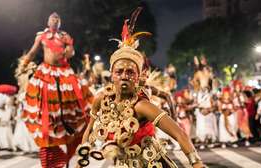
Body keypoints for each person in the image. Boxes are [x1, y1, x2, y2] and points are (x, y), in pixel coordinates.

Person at [76, 8, 205, 168]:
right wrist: (81, 162)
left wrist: (196, 162)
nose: (124, 76)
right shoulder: (101, 98)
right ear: (111, 74)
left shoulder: (142, 106)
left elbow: (179, 133)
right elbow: (89, 130)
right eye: (119, 71)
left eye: (130, 72)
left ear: (138, 76)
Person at [18, 12, 93, 168]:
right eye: (53, 18)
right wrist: (23, 65)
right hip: (46, 73)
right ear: (48, 21)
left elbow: (70, 54)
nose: (55, 20)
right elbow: (32, 52)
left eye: (57, 19)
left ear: (60, 22)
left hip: (64, 72)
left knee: (76, 105)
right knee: (45, 110)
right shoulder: (41, 35)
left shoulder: (64, 35)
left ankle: (71, 140)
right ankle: (51, 145)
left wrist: (69, 45)